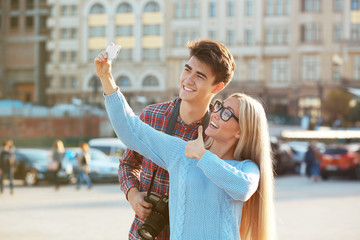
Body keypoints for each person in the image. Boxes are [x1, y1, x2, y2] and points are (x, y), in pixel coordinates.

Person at [95, 54, 276, 239]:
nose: (216, 114)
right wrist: (106, 78)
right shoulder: (183, 153)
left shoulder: (246, 168)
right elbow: (131, 130)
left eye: (226, 113)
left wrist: (202, 156)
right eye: (219, 107)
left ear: (241, 131)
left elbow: (242, 187)